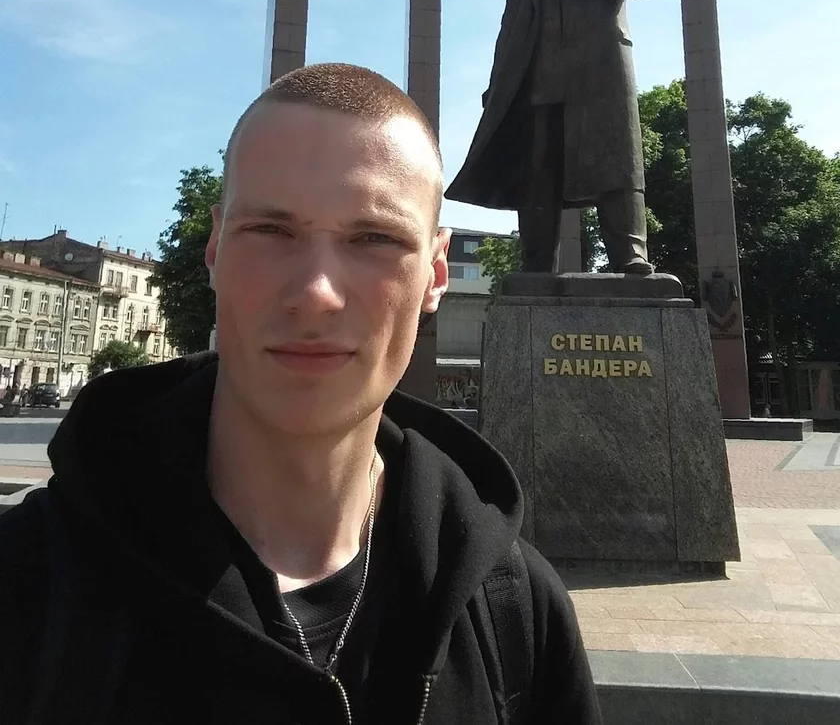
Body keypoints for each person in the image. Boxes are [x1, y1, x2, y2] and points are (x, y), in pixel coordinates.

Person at [0, 64, 601, 724]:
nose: (316, 292)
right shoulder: (25, 583)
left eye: (374, 238)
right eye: (270, 230)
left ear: (434, 273)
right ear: (215, 249)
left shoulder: (519, 612)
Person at [445, 0, 661, 274]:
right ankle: (537, 263)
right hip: (540, 72)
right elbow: (511, 23)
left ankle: (630, 254)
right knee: (539, 170)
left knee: (617, 161)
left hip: (601, 69)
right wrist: (498, 81)